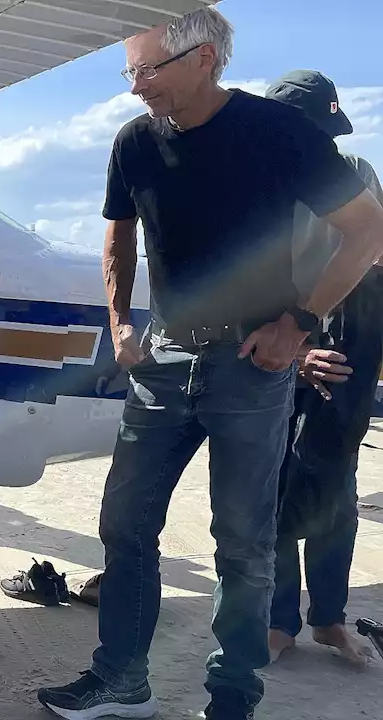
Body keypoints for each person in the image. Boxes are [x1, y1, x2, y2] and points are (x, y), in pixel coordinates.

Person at [36, 7, 383, 720]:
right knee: (125, 522)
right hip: (163, 359)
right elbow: (118, 239)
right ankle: (121, 681)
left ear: (204, 59)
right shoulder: (134, 143)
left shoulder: (279, 134)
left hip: (252, 368)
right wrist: (121, 327)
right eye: (130, 70)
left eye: (147, 70)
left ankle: (231, 700)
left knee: (242, 543)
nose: (136, 87)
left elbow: (366, 229)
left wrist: (300, 323)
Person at [264, 70, 382, 668]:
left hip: (344, 349)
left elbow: (373, 253)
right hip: (276, 347)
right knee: (273, 483)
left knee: (336, 481)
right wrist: (296, 348)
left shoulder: (357, 172)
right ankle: (279, 619)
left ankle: (330, 617)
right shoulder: (258, 181)